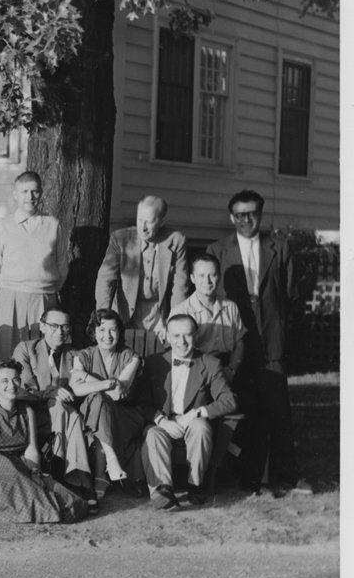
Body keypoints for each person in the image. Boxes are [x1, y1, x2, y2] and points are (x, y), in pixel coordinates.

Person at [206, 190, 308, 496]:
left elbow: (291, 296)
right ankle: (247, 478)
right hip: (234, 342)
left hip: (271, 341)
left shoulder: (280, 248)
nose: (245, 220)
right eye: (239, 215)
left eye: (251, 214)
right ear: (231, 217)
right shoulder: (217, 249)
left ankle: (286, 477)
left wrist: (282, 332)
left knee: (278, 410)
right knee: (245, 411)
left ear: (260, 215)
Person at [0, 360, 89, 524]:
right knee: (21, 485)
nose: (11, 385)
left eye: (15, 379)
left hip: (20, 464)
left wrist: (35, 472)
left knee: (72, 502)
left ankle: (42, 507)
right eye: (4, 381)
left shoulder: (27, 411)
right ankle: (43, 510)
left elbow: (31, 450)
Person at [137, 314, 236, 510]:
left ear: (196, 335)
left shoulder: (210, 363)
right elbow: (142, 402)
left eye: (187, 335)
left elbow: (229, 401)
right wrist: (162, 421)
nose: (181, 342)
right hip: (163, 422)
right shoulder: (154, 363)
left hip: (191, 422)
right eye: (176, 336)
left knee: (200, 427)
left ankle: (195, 486)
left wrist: (197, 413)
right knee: (152, 434)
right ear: (167, 336)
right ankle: (163, 490)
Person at [11, 307, 95, 503]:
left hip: (65, 416)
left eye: (65, 326)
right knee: (64, 409)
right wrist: (50, 393)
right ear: (42, 326)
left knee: (69, 413)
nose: (60, 332)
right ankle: (82, 481)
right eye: (54, 326)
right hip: (33, 415)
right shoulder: (26, 349)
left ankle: (62, 477)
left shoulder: (74, 355)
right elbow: (24, 391)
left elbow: (78, 389)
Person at [0, 171, 69, 362]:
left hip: (44, 298)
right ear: (15, 194)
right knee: (9, 355)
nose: (29, 197)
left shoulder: (53, 225)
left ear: (41, 193)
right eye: (24, 191)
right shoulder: (4, 226)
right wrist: (9, 293)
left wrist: (47, 289)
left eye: (34, 191)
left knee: (42, 355)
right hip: (10, 298)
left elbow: (62, 265)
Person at [68, 309, 144, 501]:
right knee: (98, 400)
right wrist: (108, 383)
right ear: (93, 332)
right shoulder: (83, 356)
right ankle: (111, 462)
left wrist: (86, 377)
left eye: (113, 330)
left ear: (120, 332)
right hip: (94, 412)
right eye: (101, 330)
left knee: (98, 399)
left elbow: (118, 395)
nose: (107, 336)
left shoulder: (131, 357)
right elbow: (76, 390)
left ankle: (104, 471)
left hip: (125, 415)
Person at [94, 195, 188, 341]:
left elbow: (180, 286)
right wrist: (103, 317)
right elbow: (105, 279)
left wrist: (174, 322)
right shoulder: (120, 239)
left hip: (159, 317)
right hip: (124, 315)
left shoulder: (176, 241)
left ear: (162, 221)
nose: (142, 227)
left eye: (149, 222)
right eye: (139, 220)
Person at [170, 254, 246, 383]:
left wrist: (231, 371)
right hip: (196, 373)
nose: (207, 281)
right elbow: (176, 355)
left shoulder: (230, 307)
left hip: (227, 370)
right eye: (201, 276)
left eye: (212, 275)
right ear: (192, 278)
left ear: (219, 277)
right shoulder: (181, 311)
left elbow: (239, 342)